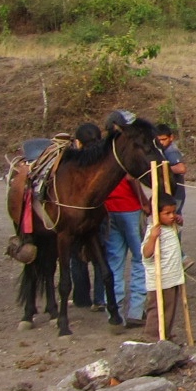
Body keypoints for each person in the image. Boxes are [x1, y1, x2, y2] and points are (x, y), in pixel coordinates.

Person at [101, 117, 149, 329]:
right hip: (129, 209)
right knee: (140, 258)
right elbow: (132, 180)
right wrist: (144, 202)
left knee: (114, 261)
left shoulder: (100, 152)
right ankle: (136, 311)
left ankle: (114, 311)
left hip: (109, 211)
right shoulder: (124, 150)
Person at [68, 122, 109, 312]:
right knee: (100, 253)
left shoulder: (75, 163)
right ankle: (100, 298)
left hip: (75, 214)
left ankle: (81, 297)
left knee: (77, 256)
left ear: (78, 142)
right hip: (100, 213)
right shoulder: (105, 161)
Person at [141, 198, 186, 336]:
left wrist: (179, 220)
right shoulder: (153, 231)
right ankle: (152, 337)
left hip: (172, 277)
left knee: (169, 310)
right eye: (167, 213)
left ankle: (164, 334)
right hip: (160, 280)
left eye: (173, 212)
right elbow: (146, 253)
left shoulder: (170, 227)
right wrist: (153, 238)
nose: (172, 216)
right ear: (156, 214)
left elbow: (179, 225)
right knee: (157, 310)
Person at [155, 123, 188, 218]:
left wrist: (162, 167)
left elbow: (181, 168)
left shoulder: (171, 151)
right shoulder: (161, 149)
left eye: (164, 139)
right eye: (159, 140)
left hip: (176, 193)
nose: (161, 142)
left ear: (171, 138)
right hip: (168, 192)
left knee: (173, 217)